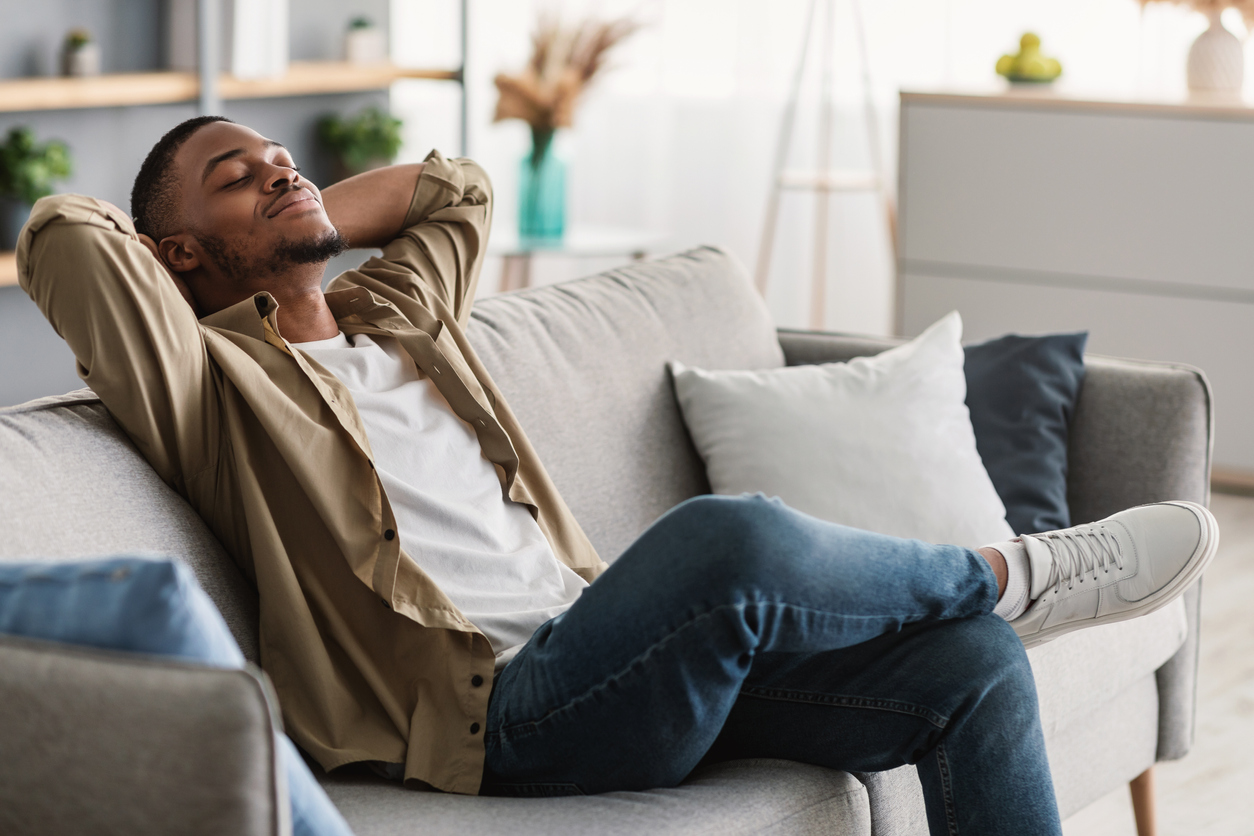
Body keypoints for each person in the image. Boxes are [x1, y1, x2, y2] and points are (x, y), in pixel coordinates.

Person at [17, 115, 1219, 835]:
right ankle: (1014, 571)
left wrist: (301, 204)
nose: (282, 173)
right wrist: (236, 241)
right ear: (174, 251)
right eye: (242, 177)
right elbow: (62, 236)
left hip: (609, 653)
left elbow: (458, 192)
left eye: (285, 159)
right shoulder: (205, 383)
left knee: (969, 667)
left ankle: (992, 607)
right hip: (504, 713)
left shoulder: (395, 319)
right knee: (725, 540)